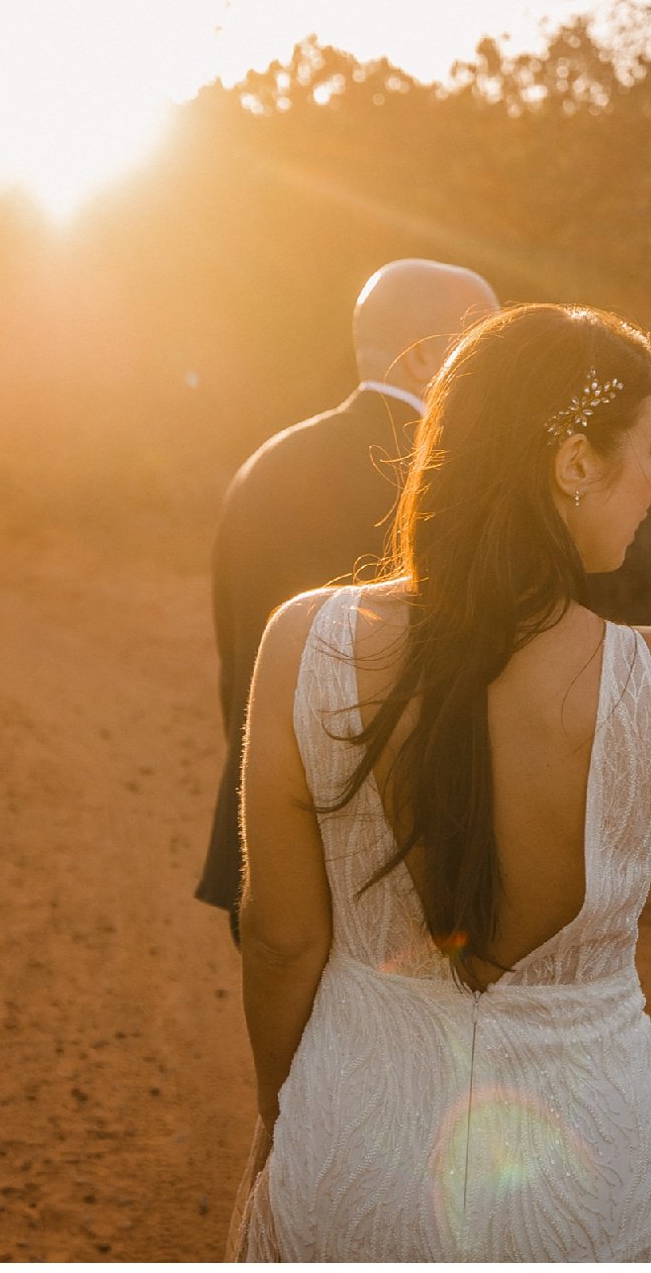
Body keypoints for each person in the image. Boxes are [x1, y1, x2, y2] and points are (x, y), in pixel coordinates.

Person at [228, 302, 651, 1260]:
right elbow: (649, 828)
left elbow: (281, 939)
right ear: (574, 461)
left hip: (358, 1144)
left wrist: (282, 1119)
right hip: (585, 1180)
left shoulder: (305, 643)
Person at [198, 259, 500, 941]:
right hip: (401, 866)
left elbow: (236, 668)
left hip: (266, 842)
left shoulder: (263, 467)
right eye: (485, 347)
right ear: (425, 359)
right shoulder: (449, 483)